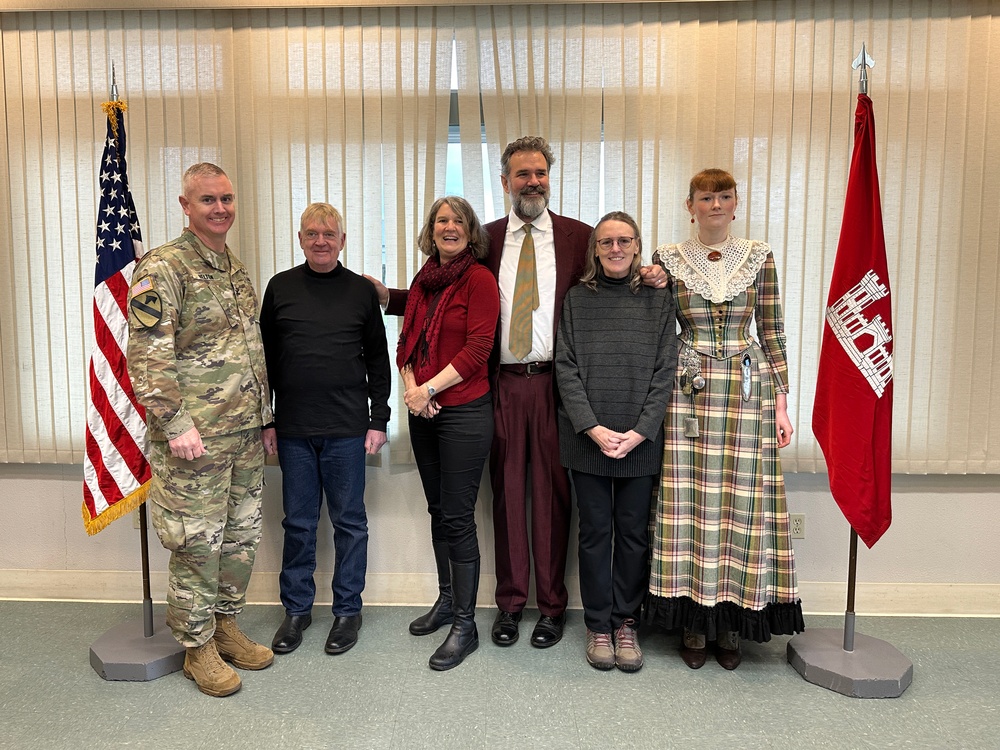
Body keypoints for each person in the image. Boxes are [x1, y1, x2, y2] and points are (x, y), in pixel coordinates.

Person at [371, 136, 666, 650]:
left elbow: (616, 275)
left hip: (558, 385)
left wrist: (657, 274)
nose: (532, 182)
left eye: (540, 173)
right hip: (500, 384)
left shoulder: (580, 237)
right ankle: (510, 604)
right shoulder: (485, 237)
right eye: (521, 174)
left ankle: (552, 607)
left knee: (553, 497)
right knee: (506, 495)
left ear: (550, 179)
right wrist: (380, 296)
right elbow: (436, 289)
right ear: (504, 182)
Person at [647, 168, 804, 671]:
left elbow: (774, 331)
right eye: (706, 197)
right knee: (688, 501)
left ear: (736, 204)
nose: (715, 205)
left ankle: (733, 622)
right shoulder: (667, 259)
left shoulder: (759, 256)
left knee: (742, 502)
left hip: (745, 389)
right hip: (687, 390)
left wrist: (782, 403)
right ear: (688, 204)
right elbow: (655, 329)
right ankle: (694, 623)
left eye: (724, 197)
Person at [127, 162, 274, 697]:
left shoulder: (234, 268)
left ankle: (226, 625)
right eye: (208, 200)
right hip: (194, 441)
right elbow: (147, 357)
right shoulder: (164, 268)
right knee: (197, 542)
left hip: (242, 434)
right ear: (186, 206)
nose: (221, 208)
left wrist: (265, 420)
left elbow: (250, 354)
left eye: (227, 199)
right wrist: (175, 424)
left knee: (239, 538)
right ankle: (196, 647)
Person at [259, 203, 391, 657]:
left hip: (347, 430)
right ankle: (296, 610)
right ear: (300, 239)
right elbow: (266, 364)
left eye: (329, 233)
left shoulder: (360, 292)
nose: (320, 240)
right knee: (298, 522)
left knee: (349, 523)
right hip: (293, 430)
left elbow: (378, 359)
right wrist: (268, 420)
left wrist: (379, 420)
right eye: (312, 233)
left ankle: (347, 611)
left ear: (342, 240)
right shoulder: (280, 288)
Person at [554, 212, 677, 672]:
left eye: (624, 240)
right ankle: (598, 626)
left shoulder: (657, 300)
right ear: (595, 249)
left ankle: (626, 622)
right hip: (588, 440)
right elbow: (565, 367)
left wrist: (641, 431)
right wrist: (591, 427)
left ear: (638, 245)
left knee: (632, 536)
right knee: (593, 535)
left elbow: (666, 369)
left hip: (639, 442)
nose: (616, 248)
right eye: (606, 242)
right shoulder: (576, 300)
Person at [397, 196, 499, 671]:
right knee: (438, 509)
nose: (450, 227)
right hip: (425, 410)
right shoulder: (423, 280)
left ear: (470, 230)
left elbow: (479, 348)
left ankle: (465, 623)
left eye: (458, 220)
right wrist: (413, 389)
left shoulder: (478, 279)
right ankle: (445, 600)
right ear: (431, 229)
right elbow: (406, 344)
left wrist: (429, 388)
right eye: (441, 220)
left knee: (458, 516)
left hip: (463, 412)